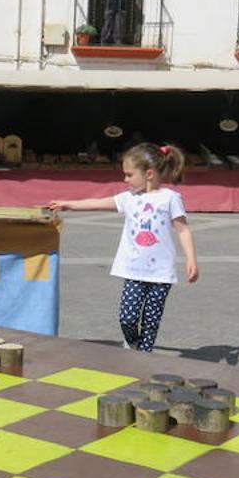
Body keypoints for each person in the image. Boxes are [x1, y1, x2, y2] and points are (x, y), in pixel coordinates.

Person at [49, 142, 199, 351]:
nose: (125, 179)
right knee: (127, 318)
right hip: (134, 270)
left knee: (151, 321)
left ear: (148, 174)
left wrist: (191, 259)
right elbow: (97, 202)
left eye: (129, 174)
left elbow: (183, 229)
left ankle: (144, 357)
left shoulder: (170, 198)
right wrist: (68, 204)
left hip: (161, 272)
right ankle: (132, 342)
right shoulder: (128, 199)